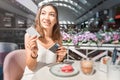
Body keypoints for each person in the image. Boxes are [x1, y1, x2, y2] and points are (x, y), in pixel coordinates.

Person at [21, 3, 67, 80]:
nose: (46, 18)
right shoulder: (31, 34)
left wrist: (60, 58)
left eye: (51, 14)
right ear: (39, 17)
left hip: (50, 76)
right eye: (43, 13)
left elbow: (55, 64)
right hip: (32, 76)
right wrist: (34, 54)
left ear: (56, 20)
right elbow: (31, 67)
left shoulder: (58, 38)